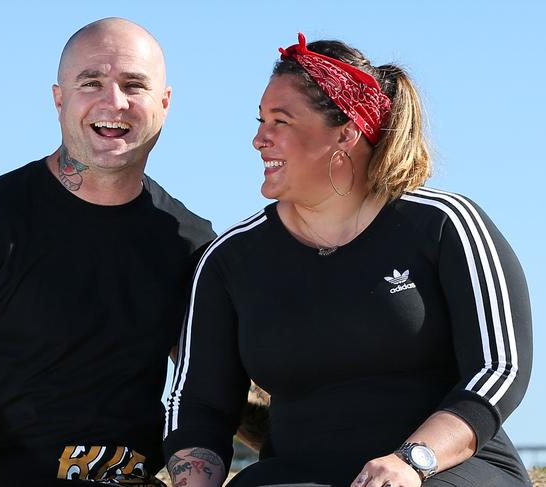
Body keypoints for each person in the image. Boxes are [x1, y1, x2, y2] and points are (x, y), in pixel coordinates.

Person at [163, 33, 532, 487]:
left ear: (346, 131)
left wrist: (411, 461)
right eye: (261, 120)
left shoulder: (443, 225)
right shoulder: (230, 259)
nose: (259, 139)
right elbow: (199, 402)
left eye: (281, 121)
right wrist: (194, 478)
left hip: (445, 470)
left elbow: (498, 369)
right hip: (296, 474)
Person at [0, 17, 215, 487]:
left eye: (134, 85)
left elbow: (219, 390)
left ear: (164, 103)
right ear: (59, 98)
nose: (114, 102)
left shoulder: (189, 243)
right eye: (92, 82)